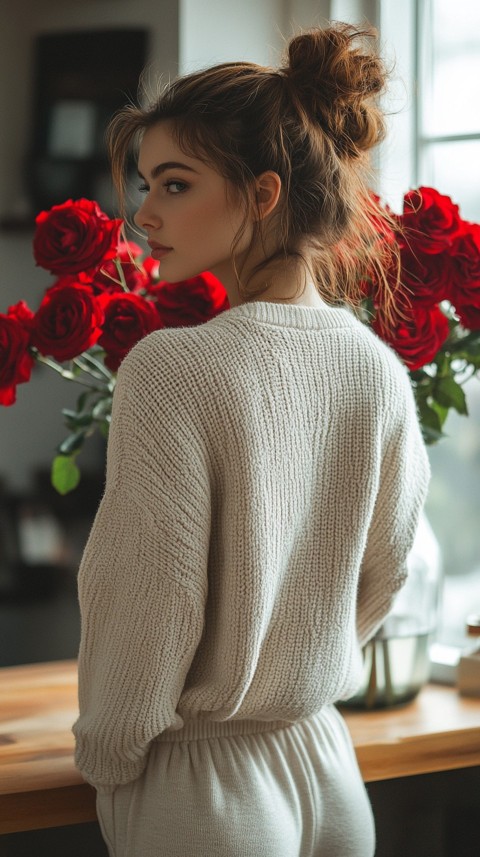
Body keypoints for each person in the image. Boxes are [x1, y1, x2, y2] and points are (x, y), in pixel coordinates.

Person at [72, 22, 430, 857]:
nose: (144, 212)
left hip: (203, 790)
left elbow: (148, 594)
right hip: (328, 766)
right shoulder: (376, 367)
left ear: (263, 193)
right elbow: (388, 570)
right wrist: (293, 664)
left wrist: (111, 752)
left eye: (174, 183)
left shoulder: (173, 366)